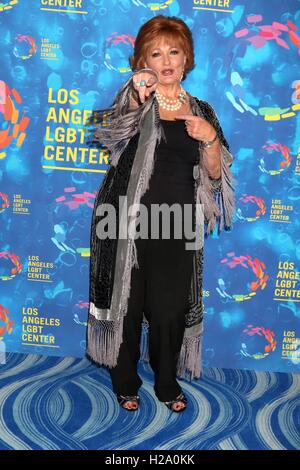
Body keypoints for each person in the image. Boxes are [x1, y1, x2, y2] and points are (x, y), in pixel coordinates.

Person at [85, 15, 236, 412]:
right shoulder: (135, 97)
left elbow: (217, 178)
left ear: (187, 58)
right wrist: (137, 95)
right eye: (156, 53)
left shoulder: (202, 109)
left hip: (177, 224)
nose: (166, 60)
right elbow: (115, 128)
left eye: (174, 51)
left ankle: (167, 383)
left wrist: (210, 142)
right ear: (143, 61)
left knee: (170, 313)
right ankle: (126, 382)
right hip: (124, 223)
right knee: (128, 307)